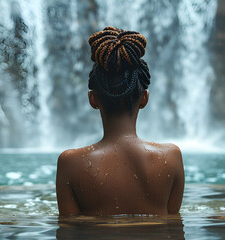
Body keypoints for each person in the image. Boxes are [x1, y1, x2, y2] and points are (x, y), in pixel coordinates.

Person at [56, 26, 184, 216]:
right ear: (144, 99)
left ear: (92, 99)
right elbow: (174, 228)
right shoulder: (171, 157)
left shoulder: (71, 163)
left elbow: (68, 231)